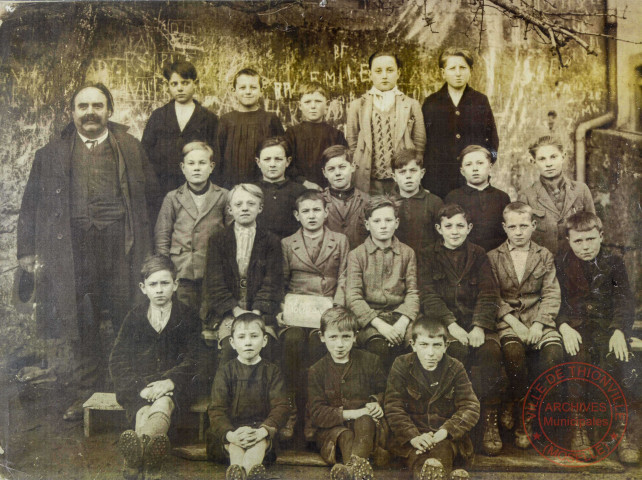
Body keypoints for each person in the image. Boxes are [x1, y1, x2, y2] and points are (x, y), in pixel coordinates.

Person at [17, 82, 159, 421]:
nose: (90, 112)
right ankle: (84, 395)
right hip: (72, 253)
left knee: (126, 317)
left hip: (119, 250)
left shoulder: (131, 148)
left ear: (109, 111)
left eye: (97, 105)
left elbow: (151, 199)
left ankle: (128, 393)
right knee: (81, 322)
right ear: (73, 113)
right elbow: (30, 206)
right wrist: (26, 253)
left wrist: (149, 251)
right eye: (83, 106)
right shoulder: (50, 154)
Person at [418, 204, 503, 456]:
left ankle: (490, 418)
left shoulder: (479, 255)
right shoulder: (427, 254)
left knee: (490, 353)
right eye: (448, 226)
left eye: (460, 226)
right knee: (454, 353)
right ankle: (450, 422)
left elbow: (489, 292)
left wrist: (479, 326)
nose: (454, 232)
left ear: (469, 228)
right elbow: (428, 295)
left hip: (475, 324)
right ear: (438, 229)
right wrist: (451, 325)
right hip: (444, 325)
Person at [555, 212, 639, 464]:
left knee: (619, 359)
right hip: (576, 330)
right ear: (569, 241)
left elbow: (624, 301)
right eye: (578, 241)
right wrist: (563, 326)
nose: (585, 246)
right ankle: (579, 431)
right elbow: (552, 301)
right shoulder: (560, 264)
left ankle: (621, 433)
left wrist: (618, 330)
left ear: (601, 236)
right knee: (576, 362)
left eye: (591, 239)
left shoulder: (614, 263)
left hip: (606, 330)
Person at [109, 255, 200, 480]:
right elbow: (118, 359)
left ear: (175, 285)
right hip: (140, 388)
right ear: (143, 288)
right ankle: (150, 460)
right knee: (142, 408)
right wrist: (140, 387)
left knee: (163, 402)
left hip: (175, 387)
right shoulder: (134, 318)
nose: (159, 290)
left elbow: (198, 358)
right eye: (153, 284)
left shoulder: (188, 316)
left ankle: (134, 459)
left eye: (165, 283)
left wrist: (171, 381)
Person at [487, 202, 563, 449]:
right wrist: (513, 322)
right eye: (512, 227)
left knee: (553, 354)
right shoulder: (493, 257)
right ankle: (515, 401)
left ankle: (529, 410)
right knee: (512, 353)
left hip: (538, 320)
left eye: (523, 226)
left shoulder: (544, 255)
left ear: (533, 226)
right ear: (504, 228)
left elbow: (551, 294)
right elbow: (492, 296)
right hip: (509, 322)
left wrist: (540, 324)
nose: (518, 232)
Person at [279, 190, 350, 441]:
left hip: (327, 309)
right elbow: (283, 282)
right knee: (293, 341)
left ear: (326, 212)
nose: (312, 216)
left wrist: (337, 309)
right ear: (297, 215)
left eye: (316, 210)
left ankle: (314, 413)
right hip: (297, 311)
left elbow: (343, 277)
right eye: (306, 211)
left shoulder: (340, 240)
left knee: (319, 345)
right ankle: (291, 410)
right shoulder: (287, 244)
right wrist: (283, 310)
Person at [385, 319, 479, 480]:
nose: (430, 352)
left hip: (444, 437)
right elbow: (393, 406)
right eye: (424, 345)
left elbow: (470, 407)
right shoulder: (401, 364)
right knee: (418, 458)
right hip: (412, 438)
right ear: (413, 344)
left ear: (446, 346)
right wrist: (413, 436)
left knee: (441, 453)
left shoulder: (455, 368)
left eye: (436, 345)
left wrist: (445, 431)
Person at [202, 184, 283, 368]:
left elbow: (272, 281)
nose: (244, 208)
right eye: (238, 204)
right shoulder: (218, 239)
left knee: (265, 347)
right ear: (230, 209)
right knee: (231, 350)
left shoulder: (271, 241)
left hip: (260, 312)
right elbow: (214, 283)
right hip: (228, 313)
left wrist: (256, 313)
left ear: (260, 208)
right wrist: (236, 312)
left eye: (251, 203)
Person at [207, 313, 291, 480]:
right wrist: (231, 434)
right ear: (232, 342)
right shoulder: (225, 372)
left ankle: (246, 473)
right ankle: (238, 472)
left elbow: (281, 407)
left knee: (258, 445)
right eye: (241, 337)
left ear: (264, 340)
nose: (248, 342)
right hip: (231, 432)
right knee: (235, 446)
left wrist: (262, 431)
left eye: (254, 336)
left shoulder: (272, 371)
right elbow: (216, 410)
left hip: (260, 430)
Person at [308, 307, 386, 480]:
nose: (340, 344)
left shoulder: (370, 361)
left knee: (365, 421)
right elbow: (317, 413)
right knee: (345, 434)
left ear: (355, 336)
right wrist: (354, 413)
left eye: (346, 337)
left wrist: (376, 402)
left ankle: (350, 472)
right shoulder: (317, 370)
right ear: (322, 337)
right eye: (333, 337)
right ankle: (357, 471)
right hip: (332, 433)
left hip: (366, 430)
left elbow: (384, 391)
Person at [345, 196, 420, 372]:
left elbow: (413, 293)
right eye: (377, 221)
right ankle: (379, 396)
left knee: (414, 345)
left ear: (397, 222)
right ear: (367, 224)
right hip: (372, 320)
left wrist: (403, 322)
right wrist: (380, 325)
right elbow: (353, 297)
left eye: (388, 220)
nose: (383, 225)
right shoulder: (357, 255)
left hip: (401, 316)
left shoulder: (407, 253)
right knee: (379, 347)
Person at [154, 141, 229, 315]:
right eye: (191, 163)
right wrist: (167, 270)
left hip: (212, 270)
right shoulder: (172, 198)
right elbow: (162, 237)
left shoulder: (224, 196)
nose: (196, 168)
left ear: (211, 167)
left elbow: (231, 234)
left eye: (202, 163)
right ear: (183, 167)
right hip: (181, 270)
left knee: (209, 316)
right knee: (184, 316)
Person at [422, 48, 499, 198]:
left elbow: (492, 139)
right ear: (443, 73)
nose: (458, 73)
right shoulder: (431, 103)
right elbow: (424, 142)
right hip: (439, 180)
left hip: (473, 180)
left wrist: (486, 164)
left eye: (463, 68)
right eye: (452, 68)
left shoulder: (480, 101)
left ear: (470, 71)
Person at [346, 50, 426, 195]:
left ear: (398, 73)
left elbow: (419, 142)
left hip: (402, 178)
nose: (384, 75)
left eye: (390, 70)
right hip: (368, 179)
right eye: (378, 71)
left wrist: (412, 171)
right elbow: (352, 141)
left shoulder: (410, 104)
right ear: (370, 74)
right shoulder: (358, 105)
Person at [142, 60, 220, 197]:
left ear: (195, 83)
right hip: (162, 188)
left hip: (197, 189)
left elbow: (217, 156)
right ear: (168, 86)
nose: (179, 88)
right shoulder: (158, 116)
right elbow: (144, 153)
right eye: (174, 84)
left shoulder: (209, 118)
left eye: (185, 83)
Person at [518, 135, 595, 256]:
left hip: (577, 263)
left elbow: (593, 230)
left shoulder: (581, 190)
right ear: (534, 162)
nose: (548, 164)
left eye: (553, 157)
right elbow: (522, 238)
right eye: (542, 159)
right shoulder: (526, 196)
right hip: (544, 265)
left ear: (563, 156)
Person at [218, 68, 284, 188]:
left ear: (261, 91)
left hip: (265, 185)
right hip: (231, 185)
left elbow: (282, 152)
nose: (248, 92)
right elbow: (218, 156)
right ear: (234, 91)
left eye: (253, 87)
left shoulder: (270, 119)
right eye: (242, 88)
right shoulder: (226, 120)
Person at [444, 145, 510, 252]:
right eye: (469, 164)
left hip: (497, 257)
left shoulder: (502, 197)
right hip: (465, 256)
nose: (475, 169)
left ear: (490, 166)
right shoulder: (453, 197)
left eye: (480, 163)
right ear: (462, 171)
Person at [284, 82, 347, 189]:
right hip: (299, 188)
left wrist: (332, 185)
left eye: (318, 101)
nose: (313, 106)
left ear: (327, 104)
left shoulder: (336, 135)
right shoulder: (291, 133)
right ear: (300, 106)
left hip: (329, 189)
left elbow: (342, 164)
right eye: (307, 102)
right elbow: (286, 164)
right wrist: (304, 183)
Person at [392, 148, 443, 256]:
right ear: (394, 176)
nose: (408, 176)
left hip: (427, 263)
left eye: (413, 170)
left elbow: (441, 239)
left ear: (422, 173)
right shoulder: (387, 204)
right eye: (402, 172)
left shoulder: (435, 203)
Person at [254, 137, 307, 239]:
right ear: (258, 162)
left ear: (288, 161)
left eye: (278, 159)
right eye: (267, 159)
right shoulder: (250, 191)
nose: (272, 164)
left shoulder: (300, 191)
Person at [320, 145, 370, 249]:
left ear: (352, 167)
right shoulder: (319, 201)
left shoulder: (367, 201)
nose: (337, 173)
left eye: (342, 167)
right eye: (331, 169)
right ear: (324, 173)